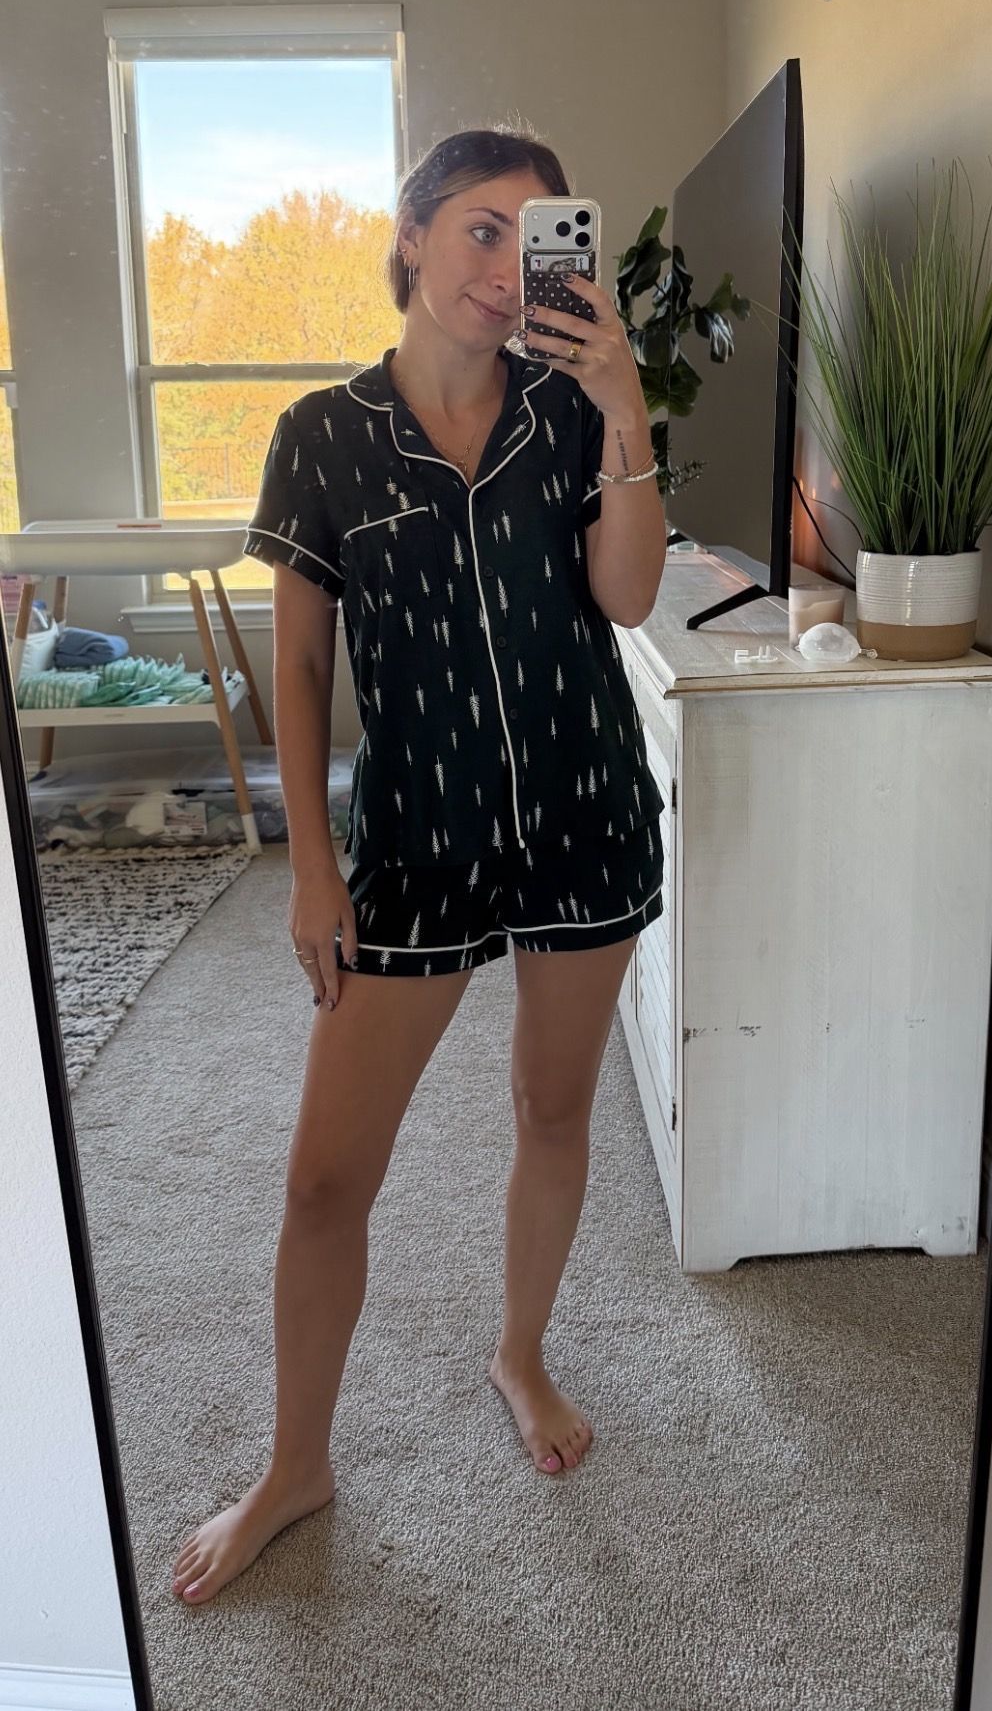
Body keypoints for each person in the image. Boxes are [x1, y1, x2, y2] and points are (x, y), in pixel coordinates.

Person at [172, 124, 668, 1605]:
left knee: (552, 1108)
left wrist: (626, 403)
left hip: (582, 815)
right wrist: (309, 867)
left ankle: (521, 1353)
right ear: (409, 238)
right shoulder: (324, 434)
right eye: (477, 231)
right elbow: (301, 665)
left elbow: (628, 594)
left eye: (534, 237)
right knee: (326, 1180)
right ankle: (295, 1465)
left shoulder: (573, 411)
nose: (506, 270)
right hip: (412, 843)